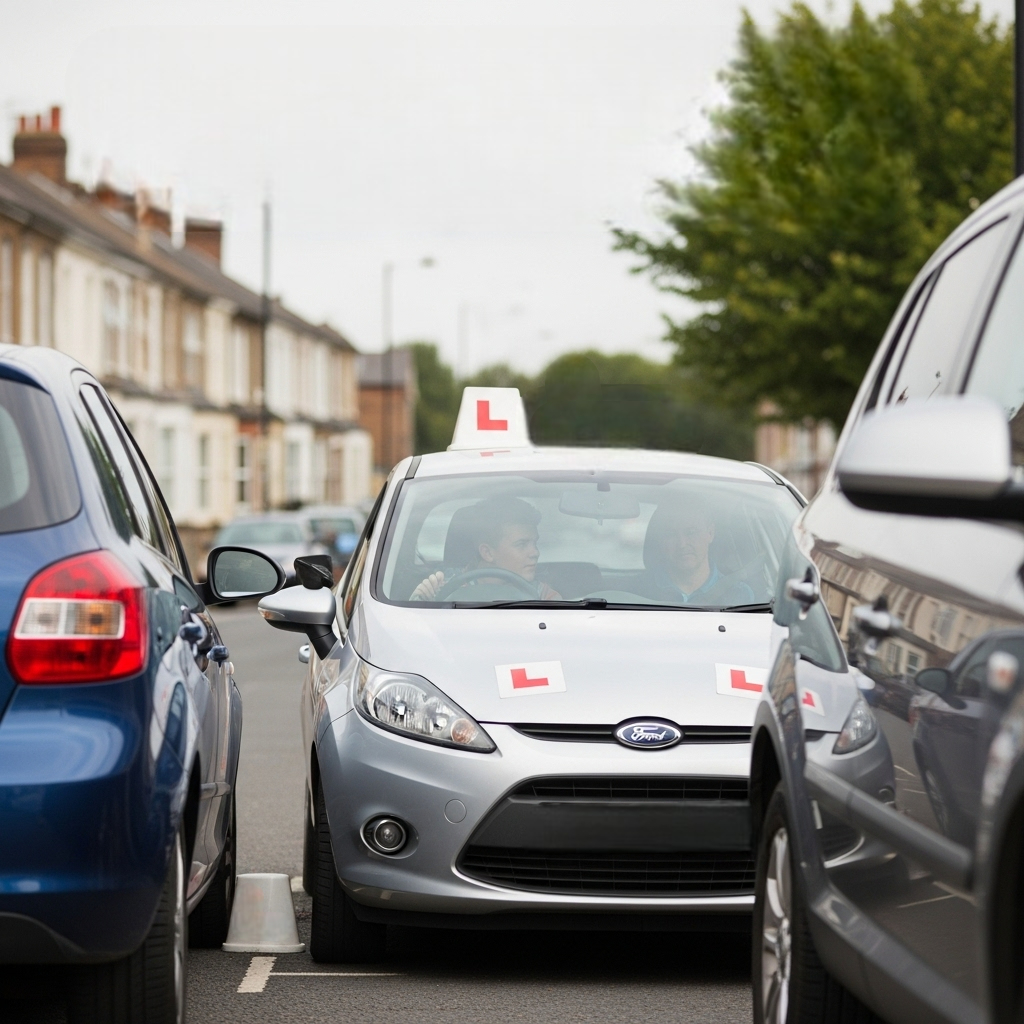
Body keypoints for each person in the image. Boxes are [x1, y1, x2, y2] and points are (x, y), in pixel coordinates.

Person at [411, 496, 561, 601]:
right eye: (521, 544)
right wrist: (421, 598)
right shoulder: (443, 588)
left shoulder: (544, 595)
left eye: (535, 543)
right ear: (487, 552)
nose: (535, 553)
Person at [638, 498, 756, 607]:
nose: (682, 544)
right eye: (671, 535)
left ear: (710, 533)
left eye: (691, 532)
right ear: (661, 541)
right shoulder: (637, 592)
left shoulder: (738, 595)